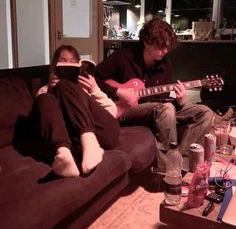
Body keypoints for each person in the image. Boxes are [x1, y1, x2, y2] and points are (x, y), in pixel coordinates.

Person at [95, 17, 213, 171]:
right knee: (166, 108)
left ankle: (180, 164)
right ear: (146, 42)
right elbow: (94, 78)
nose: (165, 51)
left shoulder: (165, 66)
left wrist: (180, 101)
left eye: (167, 47)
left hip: (155, 111)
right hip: (124, 111)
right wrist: (118, 91)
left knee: (205, 112)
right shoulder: (122, 58)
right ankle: (167, 171)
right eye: (161, 46)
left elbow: (160, 101)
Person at [34, 44, 120, 177]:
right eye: (63, 61)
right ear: (54, 66)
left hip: (103, 133)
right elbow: (43, 120)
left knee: (65, 86)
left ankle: (91, 143)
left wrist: (94, 90)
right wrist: (51, 91)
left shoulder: (85, 88)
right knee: (45, 98)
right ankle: (64, 156)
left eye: (73, 62)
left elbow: (112, 111)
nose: (68, 64)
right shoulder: (45, 91)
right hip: (74, 143)